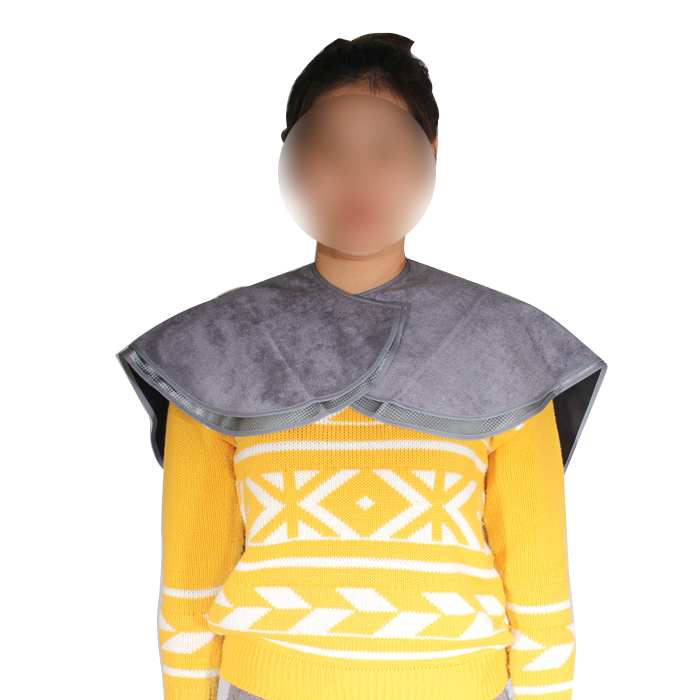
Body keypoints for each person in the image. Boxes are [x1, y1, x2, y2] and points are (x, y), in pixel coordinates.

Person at [116, 33, 606, 700]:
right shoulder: (218, 347)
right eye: (329, 147)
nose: (358, 175)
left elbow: (540, 591)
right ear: (292, 157)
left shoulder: (506, 345)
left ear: (430, 155)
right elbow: (190, 586)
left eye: (384, 148)